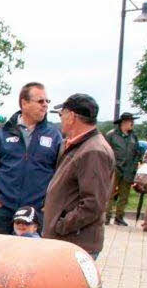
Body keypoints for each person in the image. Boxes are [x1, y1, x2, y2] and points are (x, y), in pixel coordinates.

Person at [0, 82, 63, 235]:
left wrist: (47, 205)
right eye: (40, 101)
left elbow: (61, 175)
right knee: (2, 256)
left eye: (47, 101)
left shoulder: (54, 135)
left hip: (36, 214)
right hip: (6, 212)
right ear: (24, 103)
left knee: (34, 258)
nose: (45, 105)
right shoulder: (1, 133)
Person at [42, 94, 114, 258]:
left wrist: (60, 226)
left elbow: (93, 204)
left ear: (72, 116)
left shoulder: (94, 151)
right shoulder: (76, 144)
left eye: (62, 114)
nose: (61, 119)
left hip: (76, 244)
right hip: (66, 241)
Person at [104, 112, 140, 226]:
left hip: (128, 170)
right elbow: (105, 151)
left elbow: (137, 153)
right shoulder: (111, 135)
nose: (132, 124)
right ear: (124, 123)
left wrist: (134, 166)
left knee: (124, 195)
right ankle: (106, 217)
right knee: (109, 194)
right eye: (131, 121)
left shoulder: (133, 136)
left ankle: (119, 217)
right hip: (114, 168)